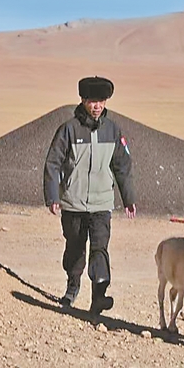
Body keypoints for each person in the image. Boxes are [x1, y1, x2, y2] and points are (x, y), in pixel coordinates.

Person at [44, 76, 137, 315]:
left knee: (100, 250)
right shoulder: (69, 129)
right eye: (93, 101)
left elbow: (122, 166)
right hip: (73, 202)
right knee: (75, 249)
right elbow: (53, 163)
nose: (97, 106)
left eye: (101, 101)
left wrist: (128, 198)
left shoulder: (113, 130)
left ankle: (98, 297)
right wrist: (53, 196)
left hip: (101, 203)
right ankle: (72, 287)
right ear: (83, 100)